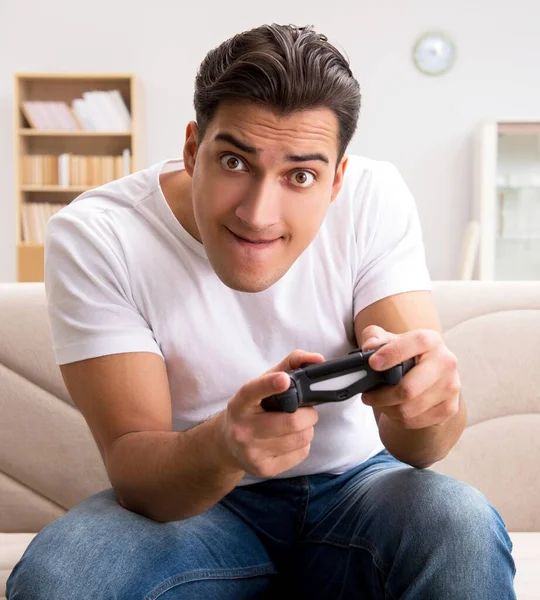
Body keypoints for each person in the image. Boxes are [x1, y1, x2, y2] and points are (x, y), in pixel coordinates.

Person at [7, 23, 516, 600]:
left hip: (359, 489)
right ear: (194, 149)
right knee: (64, 577)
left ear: (337, 179)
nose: (258, 214)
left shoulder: (374, 197)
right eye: (233, 163)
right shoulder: (99, 235)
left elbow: (423, 447)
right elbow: (136, 473)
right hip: (197, 507)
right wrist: (224, 442)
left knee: (461, 525)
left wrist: (430, 405)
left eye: (301, 175)